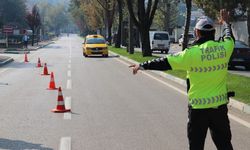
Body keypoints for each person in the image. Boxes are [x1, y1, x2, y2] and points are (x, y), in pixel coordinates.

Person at [129, 9, 234, 150]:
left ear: (197, 32)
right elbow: (229, 37)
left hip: (198, 110)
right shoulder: (225, 49)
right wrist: (226, 22)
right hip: (219, 109)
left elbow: (165, 62)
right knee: (225, 145)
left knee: (196, 146)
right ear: (214, 33)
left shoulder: (190, 54)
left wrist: (141, 66)